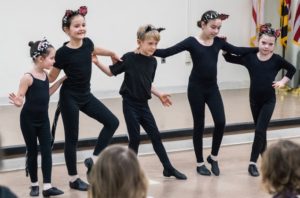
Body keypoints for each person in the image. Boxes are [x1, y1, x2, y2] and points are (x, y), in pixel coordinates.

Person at [153, 10, 257, 176]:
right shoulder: (191, 42)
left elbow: (237, 50)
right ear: (203, 24)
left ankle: (213, 157)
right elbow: (166, 52)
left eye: (218, 28)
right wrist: (147, 47)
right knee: (199, 125)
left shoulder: (218, 42)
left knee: (221, 122)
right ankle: (200, 162)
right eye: (213, 27)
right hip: (196, 89)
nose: (216, 31)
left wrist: (259, 49)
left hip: (212, 88)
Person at [93, 24, 187, 180]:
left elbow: (147, 83)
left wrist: (159, 94)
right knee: (135, 138)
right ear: (139, 42)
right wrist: (97, 62)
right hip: (130, 104)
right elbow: (111, 72)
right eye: (150, 44)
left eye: (156, 44)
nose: (153, 47)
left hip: (144, 105)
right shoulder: (129, 58)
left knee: (156, 136)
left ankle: (168, 168)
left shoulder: (153, 62)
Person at [48, 6, 120, 191]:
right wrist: (36, 75)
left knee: (112, 122)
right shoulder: (62, 53)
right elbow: (51, 77)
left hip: (86, 96)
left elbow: (97, 49)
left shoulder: (87, 43)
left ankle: (93, 160)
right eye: (76, 26)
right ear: (66, 30)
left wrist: (112, 53)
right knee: (72, 138)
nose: (81, 28)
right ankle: (73, 179)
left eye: (83, 25)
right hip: (69, 98)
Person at [223, 23, 296, 177]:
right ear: (257, 41)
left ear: (274, 46)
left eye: (270, 44)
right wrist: (223, 48)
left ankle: (252, 163)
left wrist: (283, 81)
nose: (266, 47)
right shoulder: (250, 58)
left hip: (269, 100)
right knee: (261, 133)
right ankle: (268, 161)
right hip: (254, 100)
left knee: (259, 131)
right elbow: (230, 58)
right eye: (263, 43)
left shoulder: (276, 60)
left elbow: (292, 69)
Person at [9, 38, 65, 197]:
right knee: (32, 151)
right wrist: (18, 101)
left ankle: (47, 186)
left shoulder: (45, 75)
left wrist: (61, 80)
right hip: (28, 120)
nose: (54, 61)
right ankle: (34, 185)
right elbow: (20, 98)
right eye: (51, 58)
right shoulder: (27, 77)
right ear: (41, 59)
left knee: (47, 151)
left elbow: (46, 93)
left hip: (43, 120)